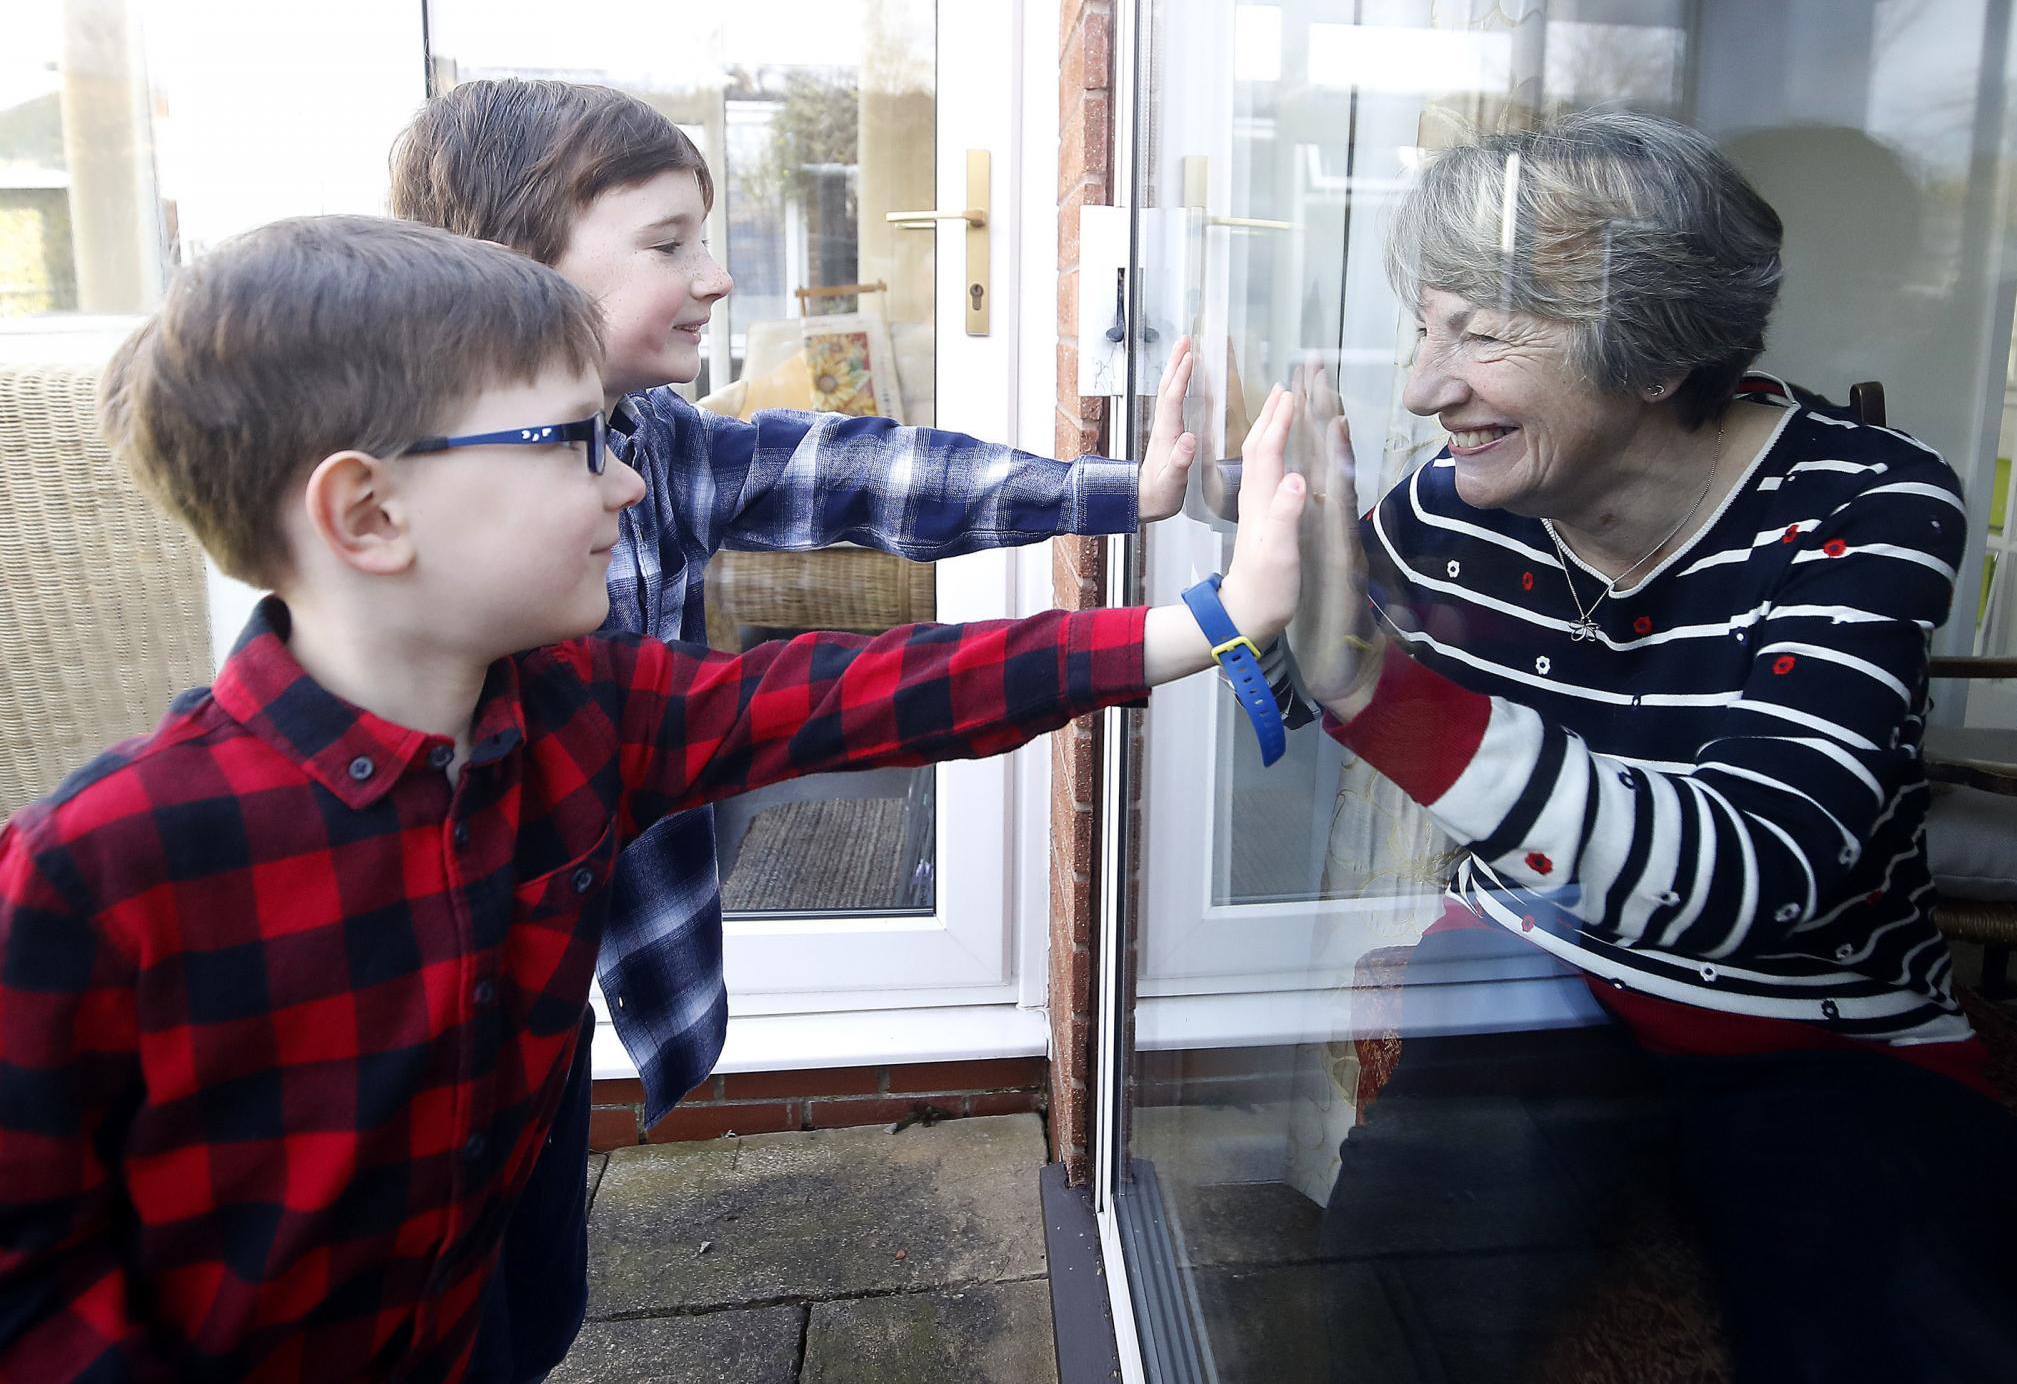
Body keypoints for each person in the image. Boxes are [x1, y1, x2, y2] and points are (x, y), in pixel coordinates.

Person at [0, 214, 1308, 1381]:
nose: (628, 481)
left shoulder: (584, 710)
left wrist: (1214, 617)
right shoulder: (100, 875)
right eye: (574, 444)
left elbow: (866, 690)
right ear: (368, 511)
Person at [386, 78, 1201, 1377]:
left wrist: (1116, 494)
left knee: (535, 1308)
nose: (714, 280)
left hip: (540, 1014)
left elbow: (861, 476)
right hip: (409, 1040)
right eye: (668, 245)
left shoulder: (651, 437)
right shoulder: (430, 539)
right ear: (516, 266)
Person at [1283, 111, 2017, 1383]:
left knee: (1922, 1333)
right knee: (1377, 1320)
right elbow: (1313, 673)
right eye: (1425, 326)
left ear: (1655, 348)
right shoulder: (1454, 510)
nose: (1422, 386)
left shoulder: (1867, 506)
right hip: (1529, 970)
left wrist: (1375, 690)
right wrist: (1279, 567)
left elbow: (1753, 876)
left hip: (1815, 1028)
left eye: (1482, 334)